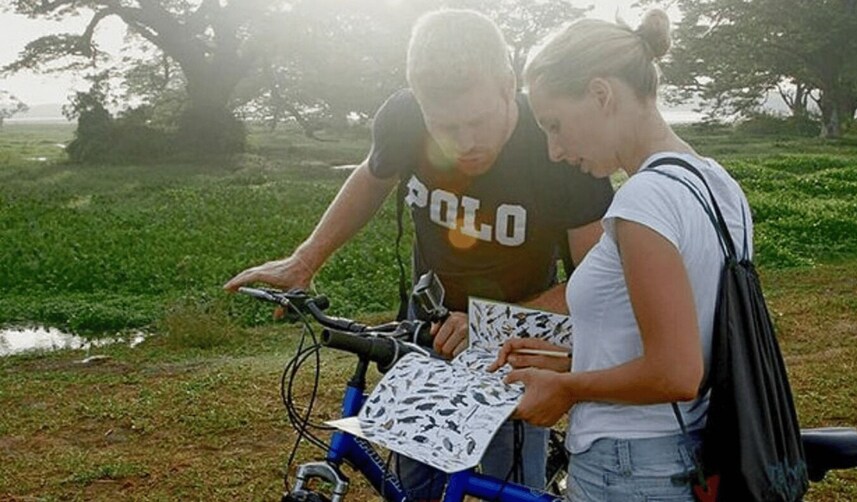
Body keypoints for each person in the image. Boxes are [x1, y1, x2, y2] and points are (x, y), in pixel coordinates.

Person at [224, 9, 613, 499]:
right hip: (426, 329)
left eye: (479, 121)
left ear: (507, 85)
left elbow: (600, 283)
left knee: (502, 483)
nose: (466, 142)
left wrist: (493, 322)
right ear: (420, 106)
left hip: (516, 340)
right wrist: (305, 260)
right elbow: (372, 176)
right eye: (445, 126)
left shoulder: (556, 146)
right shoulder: (404, 118)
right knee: (417, 482)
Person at [489, 9, 755, 501]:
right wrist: (572, 361)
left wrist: (568, 390)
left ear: (600, 95)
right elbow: (687, 339)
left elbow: (675, 372)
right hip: (684, 450)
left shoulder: (643, 201)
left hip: (628, 467)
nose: (553, 150)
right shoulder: (718, 185)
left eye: (555, 125)